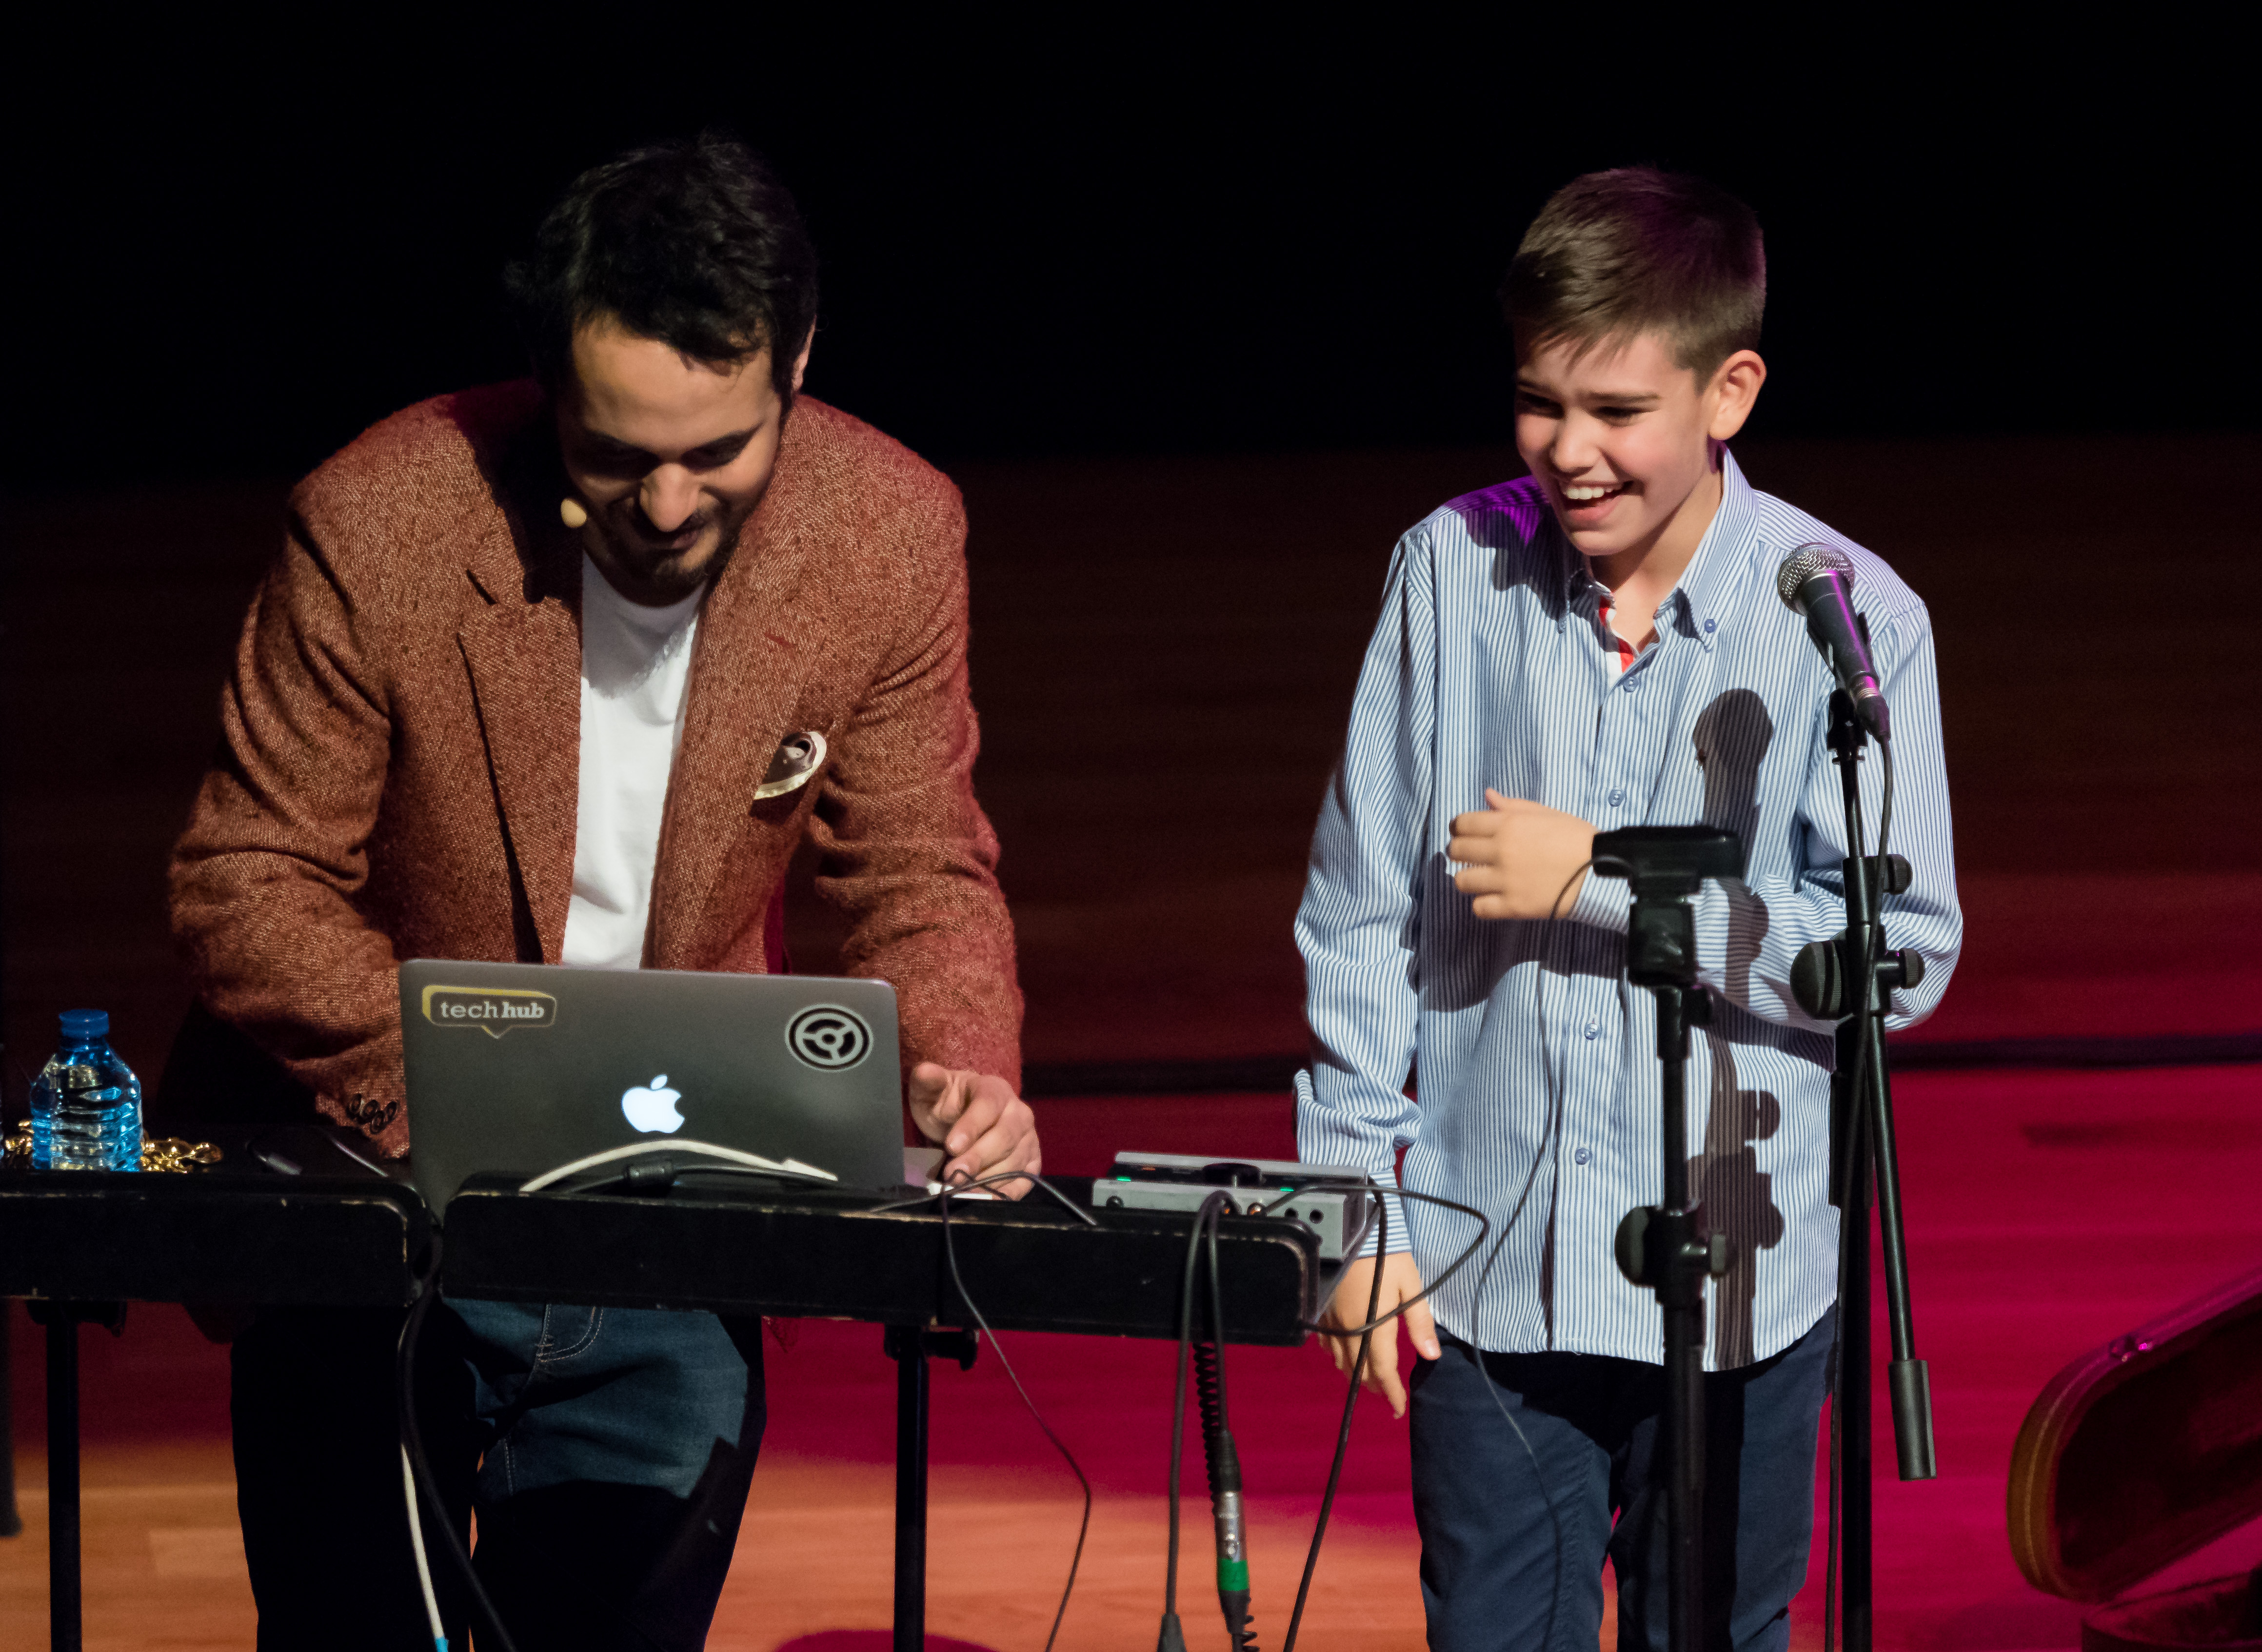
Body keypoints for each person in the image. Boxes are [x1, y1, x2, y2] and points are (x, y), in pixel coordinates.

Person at [166, 134, 1037, 1651]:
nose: (669, 500)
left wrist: (966, 1074)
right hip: (377, 1216)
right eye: (618, 452)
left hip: (670, 1235)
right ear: (547, 385)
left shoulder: (889, 532)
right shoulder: (379, 520)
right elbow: (247, 875)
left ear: (798, 364)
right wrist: (454, 1089)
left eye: (721, 450)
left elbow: (917, 864)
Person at [1296, 168, 1962, 1651]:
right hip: (1488, 1273)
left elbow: (1903, 959)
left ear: (1731, 391)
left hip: (1742, 1281)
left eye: (1615, 411)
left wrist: (1603, 884)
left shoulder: (1851, 618)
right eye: (1539, 404)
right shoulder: (1447, 575)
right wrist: (1357, 1209)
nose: (1568, 451)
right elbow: (1358, 914)